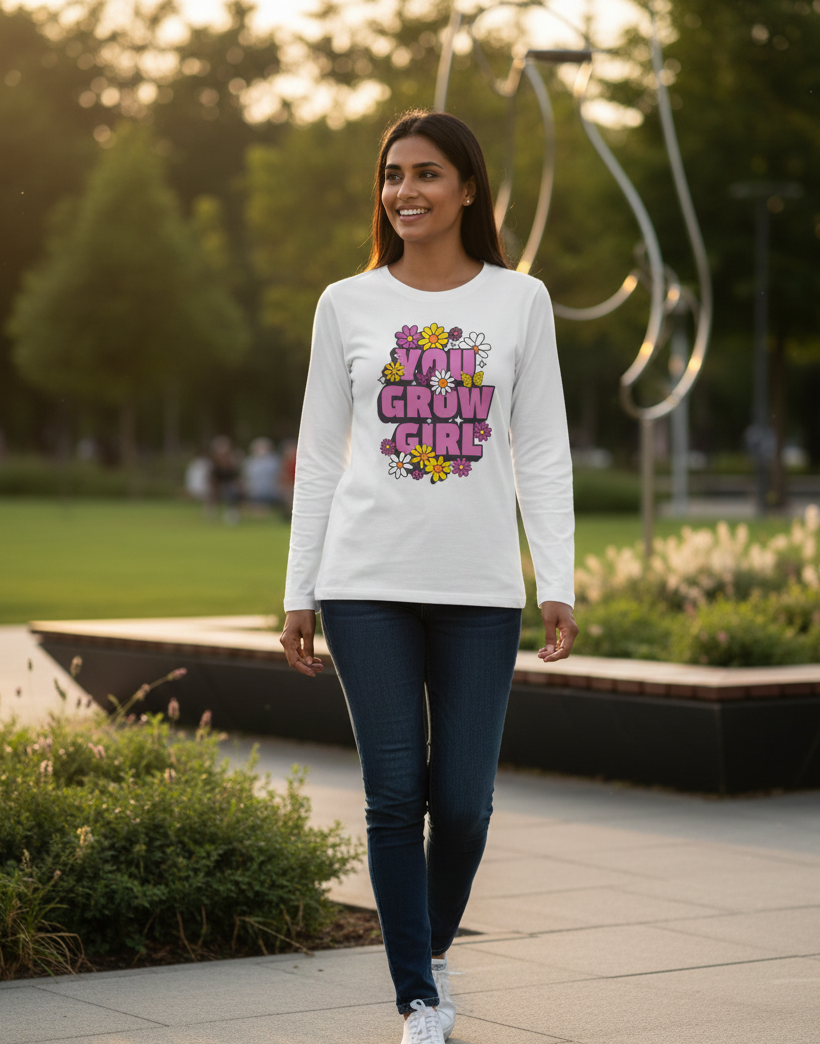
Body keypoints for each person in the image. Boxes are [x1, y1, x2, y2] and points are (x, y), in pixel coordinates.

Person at [280, 109, 578, 1044]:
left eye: (425, 174)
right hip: (364, 581)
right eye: (391, 175)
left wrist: (556, 580)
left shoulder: (519, 300)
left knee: (463, 803)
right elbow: (319, 457)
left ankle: (430, 946)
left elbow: (544, 452)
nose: (403, 191)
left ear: (467, 189)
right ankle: (416, 995)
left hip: (479, 589)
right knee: (393, 794)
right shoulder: (347, 303)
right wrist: (299, 588)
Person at [242, 436, 280, 513]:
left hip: (272, 493)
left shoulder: (274, 461)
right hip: (254, 494)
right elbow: (245, 479)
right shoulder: (249, 462)